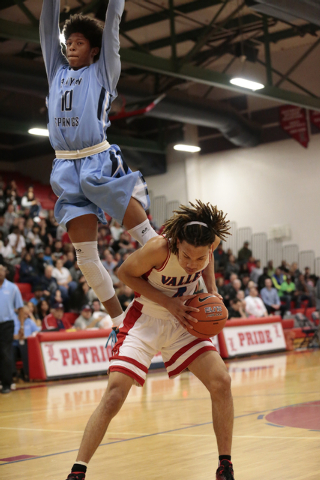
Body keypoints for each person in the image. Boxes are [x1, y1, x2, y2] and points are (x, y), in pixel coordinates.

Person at [64, 201, 235, 480]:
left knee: (222, 381)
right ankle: (77, 471)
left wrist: (212, 290)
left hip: (185, 320)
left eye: (199, 258)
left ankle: (225, 466)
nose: (193, 263)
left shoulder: (208, 243)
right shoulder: (159, 248)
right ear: (178, 243)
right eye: (187, 256)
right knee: (114, 396)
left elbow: (208, 259)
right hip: (145, 319)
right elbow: (124, 274)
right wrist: (169, 303)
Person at [39, 0, 157, 329]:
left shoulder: (102, 71)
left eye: (79, 43)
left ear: (93, 49)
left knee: (146, 236)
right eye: (69, 43)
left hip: (97, 158)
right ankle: (119, 323)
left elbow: (113, 28)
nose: (71, 48)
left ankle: (178, 280)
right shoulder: (56, 71)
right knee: (85, 258)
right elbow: (47, 29)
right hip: (65, 166)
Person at [0, 265, 24, 393]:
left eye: (2, 270)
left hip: (6, 325)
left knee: (5, 353)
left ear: (5, 272)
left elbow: (20, 308)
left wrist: (21, 326)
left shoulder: (12, 288)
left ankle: (6, 384)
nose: (0, 272)